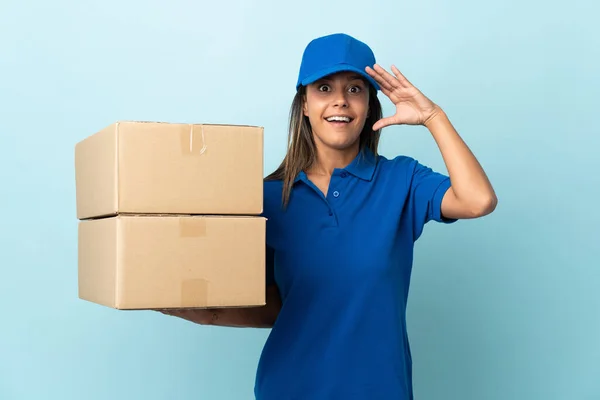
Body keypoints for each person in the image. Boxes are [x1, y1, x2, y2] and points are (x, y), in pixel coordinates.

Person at [160, 33, 497, 399]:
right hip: (288, 388)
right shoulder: (266, 198)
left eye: (355, 89)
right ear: (303, 104)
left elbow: (477, 200)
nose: (340, 100)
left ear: (370, 105)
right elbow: (282, 305)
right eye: (324, 88)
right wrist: (201, 312)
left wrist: (433, 116)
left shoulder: (402, 180)